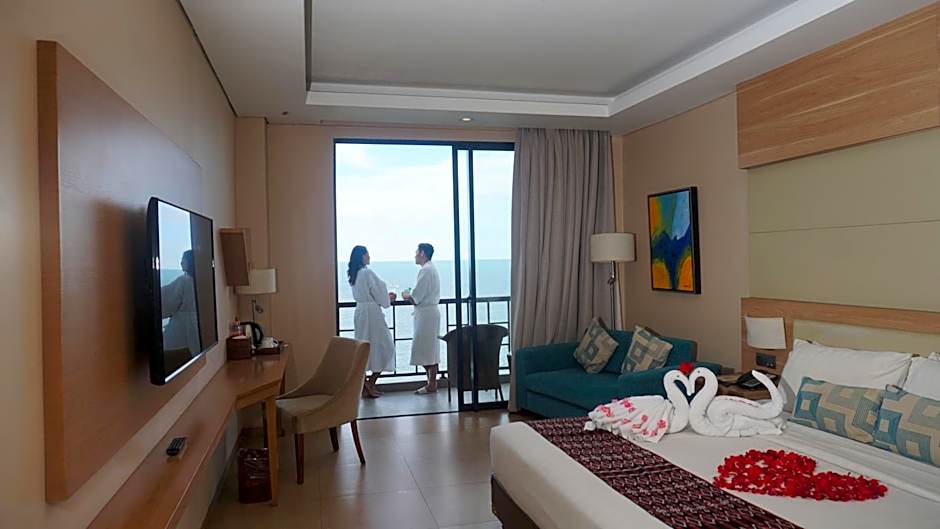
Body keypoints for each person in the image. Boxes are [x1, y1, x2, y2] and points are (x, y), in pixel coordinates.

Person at [348, 245, 396, 398]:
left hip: (360, 313)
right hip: (372, 314)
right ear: (362, 256)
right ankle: (370, 383)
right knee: (385, 347)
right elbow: (378, 292)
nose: (369, 256)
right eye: (367, 254)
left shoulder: (354, 274)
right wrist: (388, 298)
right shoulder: (367, 273)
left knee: (363, 350)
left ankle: (366, 385)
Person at [402, 243, 441, 394]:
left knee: (426, 349)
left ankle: (431, 384)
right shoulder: (431, 269)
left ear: (423, 253)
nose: (415, 255)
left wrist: (406, 295)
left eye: (417, 252)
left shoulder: (425, 271)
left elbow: (415, 298)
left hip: (426, 316)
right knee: (430, 349)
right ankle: (431, 383)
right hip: (430, 314)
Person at [161, 250, 200, 361]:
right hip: (195, 326)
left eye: (183, 259)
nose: (181, 262)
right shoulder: (199, 281)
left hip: (180, 328)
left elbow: (169, 302)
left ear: (189, 261)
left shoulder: (184, 281)